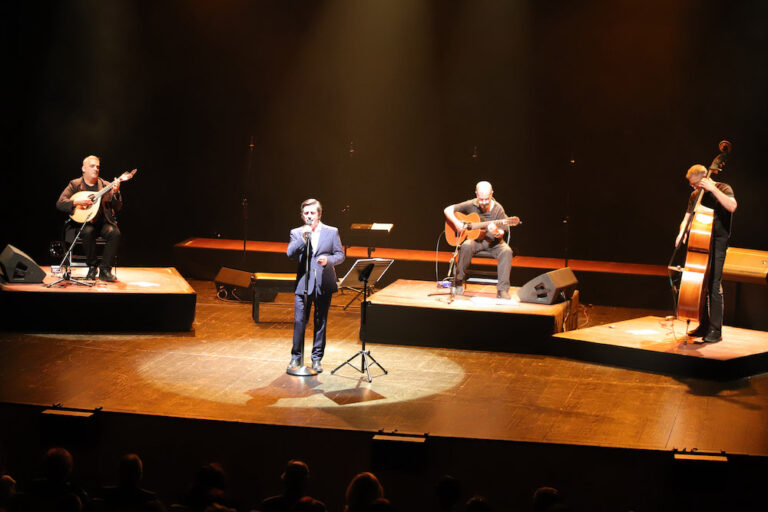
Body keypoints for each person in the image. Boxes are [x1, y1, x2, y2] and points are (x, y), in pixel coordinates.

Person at [675, 164, 737, 343]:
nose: (693, 187)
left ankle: (716, 330)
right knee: (701, 284)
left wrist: (712, 189)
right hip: (700, 241)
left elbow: (732, 206)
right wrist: (682, 232)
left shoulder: (723, 188)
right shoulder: (695, 195)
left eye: (695, 184)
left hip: (718, 241)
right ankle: (704, 324)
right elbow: (687, 217)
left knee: (714, 285)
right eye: (692, 185)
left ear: (704, 178)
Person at [287, 198, 345, 373]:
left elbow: (340, 255)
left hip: (323, 283)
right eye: (306, 213)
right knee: (299, 321)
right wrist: (303, 238)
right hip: (303, 284)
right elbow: (290, 253)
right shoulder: (297, 232)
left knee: (320, 321)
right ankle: (296, 358)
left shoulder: (331, 232)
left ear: (319, 214)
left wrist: (328, 260)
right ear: (302, 215)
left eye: (312, 213)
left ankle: (317, 359)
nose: (309, 216)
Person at [444, 181, 520, 299]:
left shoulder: (498, 208)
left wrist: (496, 232)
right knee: (466, 245)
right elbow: (447, 209)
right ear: (476, 194)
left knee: (507, 251)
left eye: (487, 199)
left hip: (494, 243)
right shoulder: (471, 204)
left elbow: (501, 232)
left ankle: (502, 290)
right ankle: (458, 280)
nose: (484, 202)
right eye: (481, 199)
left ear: (492, 194)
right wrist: (457, 223)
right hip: (476, 241)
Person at [56, 155, 122, 282]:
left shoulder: (106, 185)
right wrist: (76, 202)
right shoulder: (75, 184)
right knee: (87, 232)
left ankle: (105, 270)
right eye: (92, 166)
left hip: (103, 223)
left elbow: (117, 206)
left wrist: (116, 193)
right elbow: (60, 203)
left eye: (98, 167)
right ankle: (92, 267)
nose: (96, 169)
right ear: (83, 168)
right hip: (84, 224)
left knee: (115, 233)